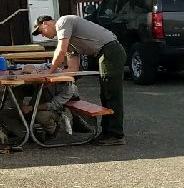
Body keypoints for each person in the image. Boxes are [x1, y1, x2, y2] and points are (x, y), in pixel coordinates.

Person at [33, 13, 125, 145]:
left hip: (110, 50)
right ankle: (108, 133)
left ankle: (116, 135)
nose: (42, 36)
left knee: (111, 94)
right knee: (105, 94)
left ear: (45, 24)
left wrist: (50, 72)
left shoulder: (63, 22)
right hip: (104, 53)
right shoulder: (69, 39)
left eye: (41, 32)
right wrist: (53, 80)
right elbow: (73, 69)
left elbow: (60, 51)